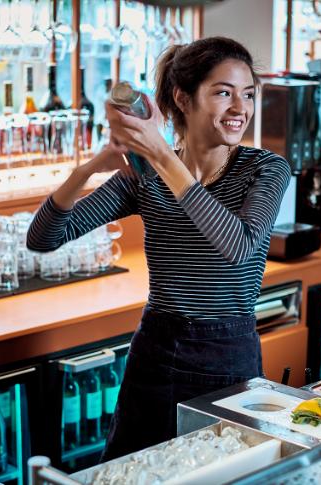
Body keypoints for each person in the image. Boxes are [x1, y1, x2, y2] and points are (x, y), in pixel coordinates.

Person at [27, 36, 291, 461]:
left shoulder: (265, 169)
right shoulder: (145, 176)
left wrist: (162, 155)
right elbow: (43, 238)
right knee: (132, 471)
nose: (240, 109)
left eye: (247, 94)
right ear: (182, 99)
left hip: (228, 355)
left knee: (220, 473)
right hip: (156, 352)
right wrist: (92, 167)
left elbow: (238, 246)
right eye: (224, 93)